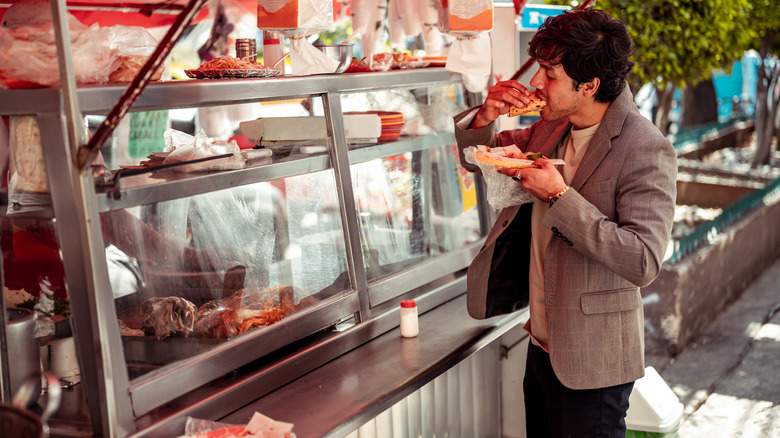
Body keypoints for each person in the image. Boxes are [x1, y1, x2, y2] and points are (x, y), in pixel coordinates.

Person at [453, 9, 677, 437]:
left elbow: (643, 261)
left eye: (550, 73)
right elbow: (480, 159)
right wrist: (485, 117)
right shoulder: (550, 126)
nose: (537, 83)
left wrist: (558, 196)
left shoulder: (645, 147)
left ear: (589, 84)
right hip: (540, 348)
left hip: (594, 364)